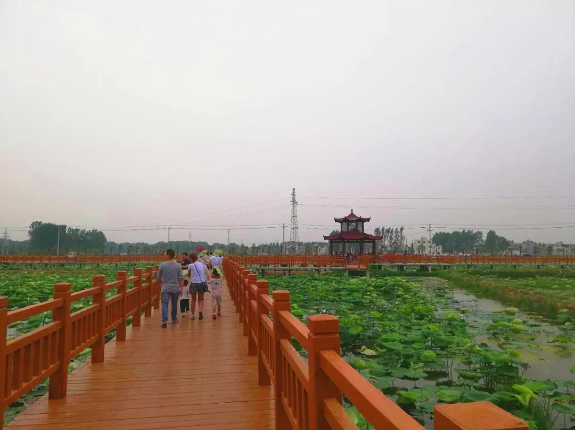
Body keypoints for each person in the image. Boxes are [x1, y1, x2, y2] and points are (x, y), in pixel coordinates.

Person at [156, 249, 184, 328]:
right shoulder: (178, 265)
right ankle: (174, 319)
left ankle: (164, 321)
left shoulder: (162, 265)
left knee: (164, 304)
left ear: (168, 255)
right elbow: (181, 278)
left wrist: (160, 284)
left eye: (165, 254)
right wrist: (181, 288)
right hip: (175, 287)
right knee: (174, 304)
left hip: (165, 287)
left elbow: (158, 277)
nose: (165, 255)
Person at [188, 253, 210, 320]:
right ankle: (200, 311)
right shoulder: (201, 264)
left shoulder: (190, 265)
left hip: (194, 283)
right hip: (201, 283)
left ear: (191, 259)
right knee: (200, 299)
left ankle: (193, 314)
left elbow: (189, 275)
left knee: (193, 300)